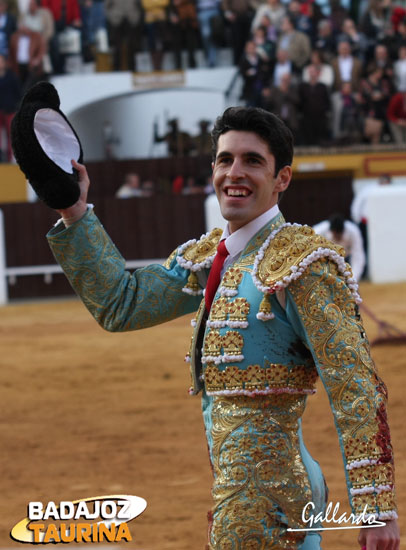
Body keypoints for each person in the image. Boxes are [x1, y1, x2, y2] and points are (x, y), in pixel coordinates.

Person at [46, 106, 399, 550]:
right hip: (243, 496)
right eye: (225, 159)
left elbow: (355, 386)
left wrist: (375, 508)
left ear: (282, 179)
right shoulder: (213, 257)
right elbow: (123, 303)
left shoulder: (302, 264)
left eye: (253, 161)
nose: (235, 172)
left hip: (267, 501)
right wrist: (75, 212)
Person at [313, 213, 366, 281]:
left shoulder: (353, 232)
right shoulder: (319, 231)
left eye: (339, 236)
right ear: (331, 231)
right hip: (324, 261)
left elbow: (358, 256)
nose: (337, 238)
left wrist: (353, 279)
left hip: (346, 259)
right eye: (335, 235)